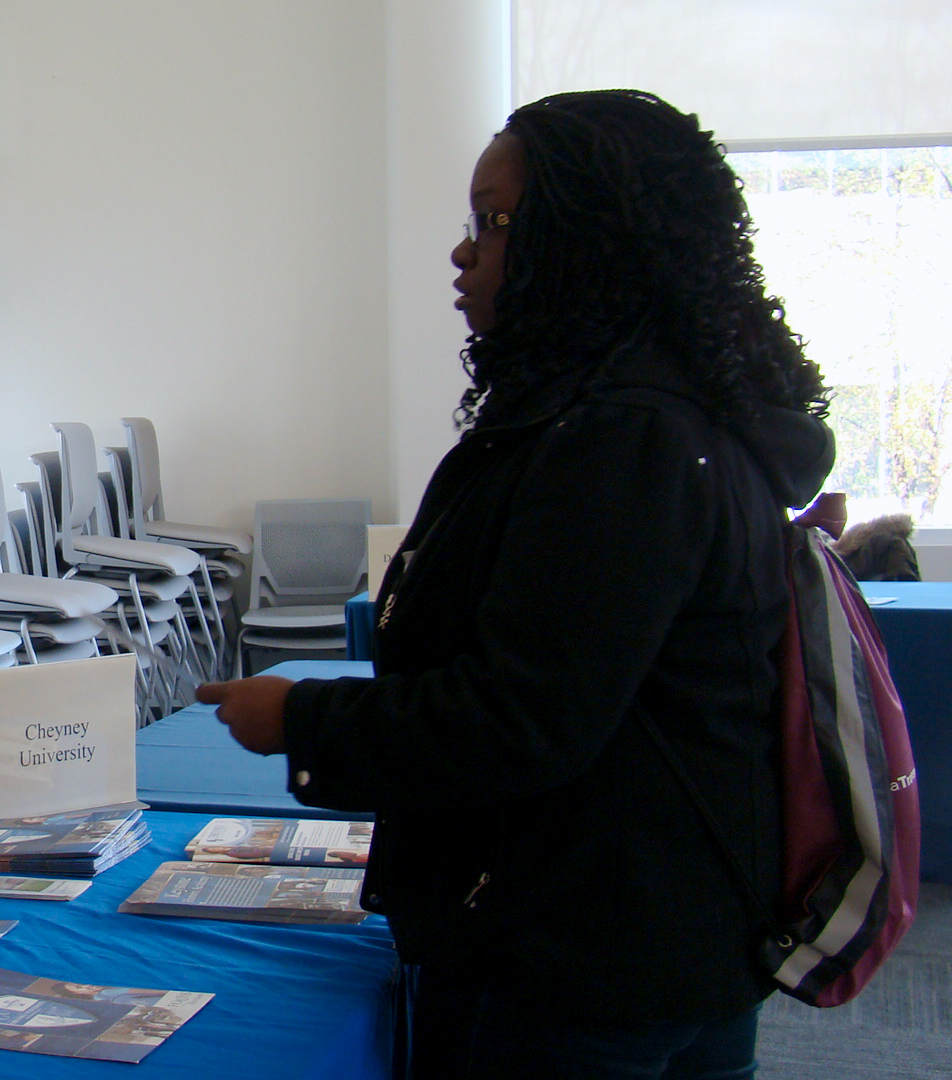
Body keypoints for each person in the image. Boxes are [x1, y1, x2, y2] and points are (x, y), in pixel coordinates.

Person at [199, 89, 832, 1078]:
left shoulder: (620, 437)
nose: (464, 253)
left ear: (586, 240)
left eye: (495, 222)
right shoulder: (664, 417)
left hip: (575, 960)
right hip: (656, 930)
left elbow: (523, 717)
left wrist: (301, 721)